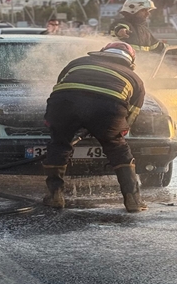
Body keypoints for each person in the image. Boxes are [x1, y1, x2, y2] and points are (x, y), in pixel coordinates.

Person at [42, 42, 148, 213]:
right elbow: (131, 115)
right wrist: (111, 131)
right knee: (118, 149)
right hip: (108, 110)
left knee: (59, 144)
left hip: (63, 104)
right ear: (130, 61)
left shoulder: (77, 62)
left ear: (102, 52)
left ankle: (55, 196)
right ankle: (133, 200)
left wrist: (75, 122)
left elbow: (62, 87)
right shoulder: (135, 78)